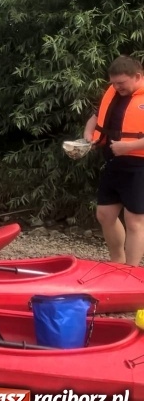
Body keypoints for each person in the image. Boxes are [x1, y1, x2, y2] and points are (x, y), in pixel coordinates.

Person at [82, 55, 144, 266]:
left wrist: (129, 147)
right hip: (113, 163)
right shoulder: (114, 93)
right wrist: (88, 137)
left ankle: (131, 271)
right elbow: (95, 117)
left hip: (139, 166)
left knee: (134, 221)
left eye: (121, 83)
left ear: (137, 76)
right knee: (105, 215)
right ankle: (118, 262)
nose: (117, 87)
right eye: (114, 83)